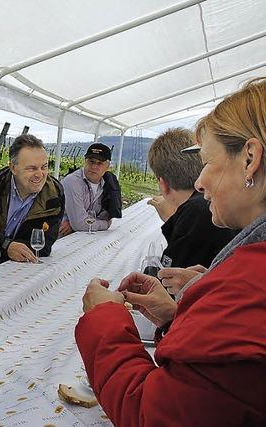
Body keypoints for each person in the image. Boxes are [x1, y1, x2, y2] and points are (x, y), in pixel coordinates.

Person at [76, 78, 266, 426]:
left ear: (250, 158)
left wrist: (104, 319)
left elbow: (153, 413)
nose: (200, 182)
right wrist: (181, 313)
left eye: (208, 162)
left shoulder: (249, 285)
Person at [147, 128, 237, 269]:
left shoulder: (197, 210)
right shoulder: (204, 206)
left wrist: (174, 219)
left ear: (163, 183)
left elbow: (172, 276)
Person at [0, 134, 64, 263]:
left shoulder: (54, 194)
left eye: (44, 167)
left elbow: (44, 245)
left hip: (19, 265)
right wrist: (6, 245)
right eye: (31, 168)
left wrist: (12, 248)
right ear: (13, 167)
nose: (40, 174)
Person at [59, 143, 122, 237]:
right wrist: (105, 224)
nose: (94, 167)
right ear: (85, 161)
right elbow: (79, 224)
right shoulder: (72, 182)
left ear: (108, 166)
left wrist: (78, 223)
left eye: (100, 163)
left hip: (85, 236)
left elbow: (103, 215)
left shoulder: (108, 184)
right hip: (61, 240)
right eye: (91, 161)